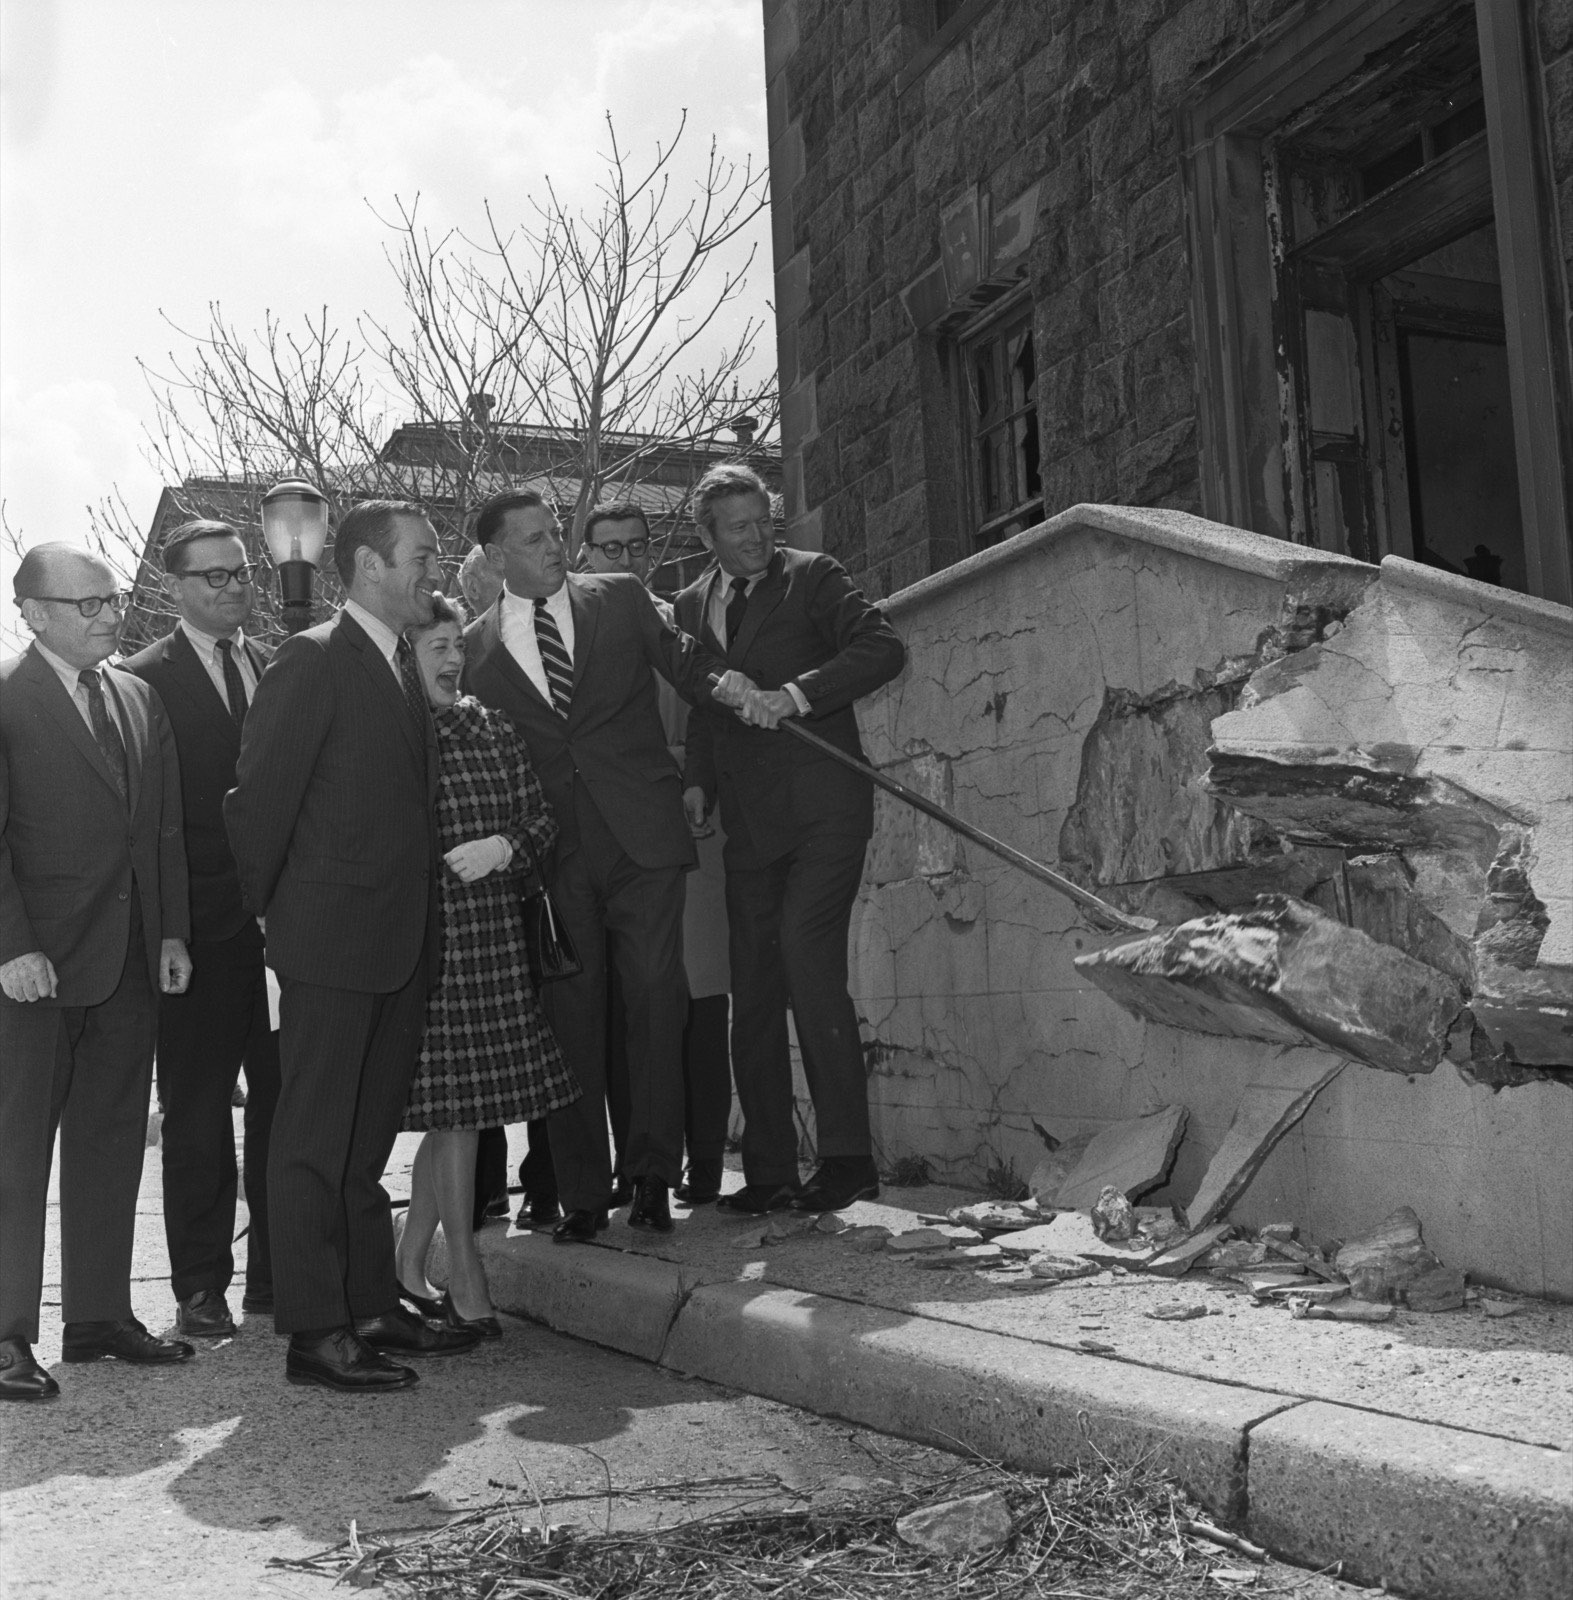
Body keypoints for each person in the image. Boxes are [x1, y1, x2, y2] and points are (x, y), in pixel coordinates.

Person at [225, 500, 478, 1393]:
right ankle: (315, 1331)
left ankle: (371, 1305)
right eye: (420, 557)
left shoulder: (398, 663)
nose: (432, 573)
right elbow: (256, 804)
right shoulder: (314, 657)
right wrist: (278, 922)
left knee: (364, 1143)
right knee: (311, 1144)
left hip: (397, 944)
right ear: (370, 566)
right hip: (330, 944)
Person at [462, 488, 756, 1243]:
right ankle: (583, 1191)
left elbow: (686, 663)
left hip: (644, 839)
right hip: (552, 857)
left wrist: (736, 690)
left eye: (555, 533)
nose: (554, 547)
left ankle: (653, 1176)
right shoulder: (476, 646)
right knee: (570, 1021)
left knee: (657, 998)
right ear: (496, 557)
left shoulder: (621, 597)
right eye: (532, 540)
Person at [676, 463, 906, 1216]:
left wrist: (797, 695)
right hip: (749, 823)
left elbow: (881, 648)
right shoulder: (688, 603)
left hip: (824, 811)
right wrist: (700, 784)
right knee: (755, 986)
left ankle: (846, 1160)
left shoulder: (814, 577)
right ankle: (770, 1168)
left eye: (763, 521)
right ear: (706, 535)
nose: (756, 538)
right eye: (737, 527)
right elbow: (708, 706)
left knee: (809, 965)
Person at [1, 545, 196, 1400]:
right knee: (14, 1156)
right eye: (84, 605)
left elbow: (162, 832)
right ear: (33, 613)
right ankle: (5, 1335)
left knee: (112, 1139)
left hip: (128, 958)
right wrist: (11, 945)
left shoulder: (138, 695)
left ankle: (99, 1316)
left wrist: (171, 934)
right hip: (32, 967)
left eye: (111, 599)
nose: (107, 616)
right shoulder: (7, 700)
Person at [393, 595, 580, 1336]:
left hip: (493, 939)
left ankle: (411, 1263)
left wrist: (503, 848)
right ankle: (461, 1267)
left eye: (453, 646)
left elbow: (540, 820)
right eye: (431, 647)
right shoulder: (391, 731)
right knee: (454, 1115)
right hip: (427, 944)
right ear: (401, 655)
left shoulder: (491, 727)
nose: (448, 659)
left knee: (455, 1119)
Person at [124, 520, 280, 1340]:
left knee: (286, 1105)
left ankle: (276, 1279)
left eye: (239, 573)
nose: (229, 588)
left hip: (289, 929)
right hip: (198, 934)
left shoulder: (282, 664)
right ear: (172, 586)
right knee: (196, 1111)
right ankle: (199, 1287)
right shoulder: (141, 681)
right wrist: (167, 931)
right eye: (210, 577)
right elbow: (150, 824)